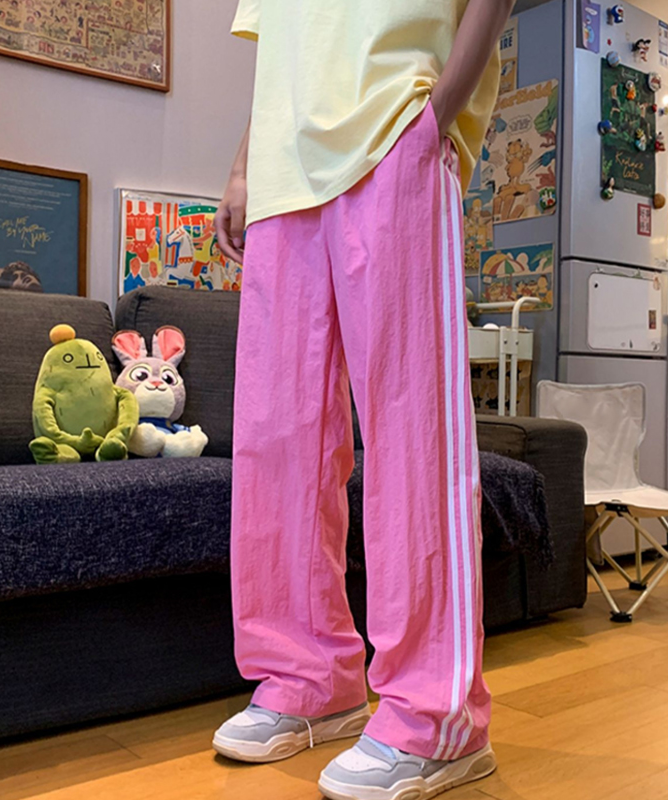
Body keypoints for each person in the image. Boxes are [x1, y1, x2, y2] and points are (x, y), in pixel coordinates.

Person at [213, 2, 516, 798]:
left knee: (413, 434)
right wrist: (244, 165)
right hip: (281, 175)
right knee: (277, 443)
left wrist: (438, 115)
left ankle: (435, 715)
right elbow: (283, 51)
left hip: (394, 134)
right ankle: (309, 677)